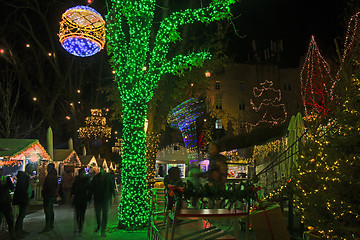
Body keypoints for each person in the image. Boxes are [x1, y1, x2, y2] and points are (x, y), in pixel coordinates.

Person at [89, 168, 115, 237]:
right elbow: (92, 187)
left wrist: (113, 195)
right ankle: (98, 225)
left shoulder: (108, 177)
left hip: (106, 198)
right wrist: (89, 197)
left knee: (105, 214)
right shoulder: (96, 177)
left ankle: (103, 230)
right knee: (98, 214)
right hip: (97, 198)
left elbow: (112, 186)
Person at [13, 164, 34, 237]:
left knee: (22, 215)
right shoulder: (23, 177)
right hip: (23, 199)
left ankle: (20, 229)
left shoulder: (26, 177)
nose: (33, 170)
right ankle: (18, 231)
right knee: (21, 215)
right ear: (28, 169)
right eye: (31, 169)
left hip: (25, 198)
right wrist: (26, 196)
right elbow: (22, 188)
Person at [40, 163, 58, 233]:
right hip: (52, 195)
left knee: (47, 211)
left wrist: (44, 192)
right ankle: (51, 225)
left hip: (48, 196)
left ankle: (47, 226)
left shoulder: (49, 177)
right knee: (50, 210)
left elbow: (48, 187)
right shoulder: (54, 176)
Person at [71, 169, 90, 234]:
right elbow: (72, 189)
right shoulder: (76, 181)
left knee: (82, 214)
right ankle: (78, 226)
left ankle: (80, 227)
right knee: (77, 214)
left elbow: (89, 191)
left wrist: (89, 199)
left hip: (83, 199)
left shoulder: (87, 181)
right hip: (77, 199)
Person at [0, 167, 16, 240]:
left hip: (3, 203)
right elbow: (12, 188)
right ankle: (12, 236)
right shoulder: (6, 178)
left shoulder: (5, 178)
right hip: (6, 202)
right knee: (10, 221)